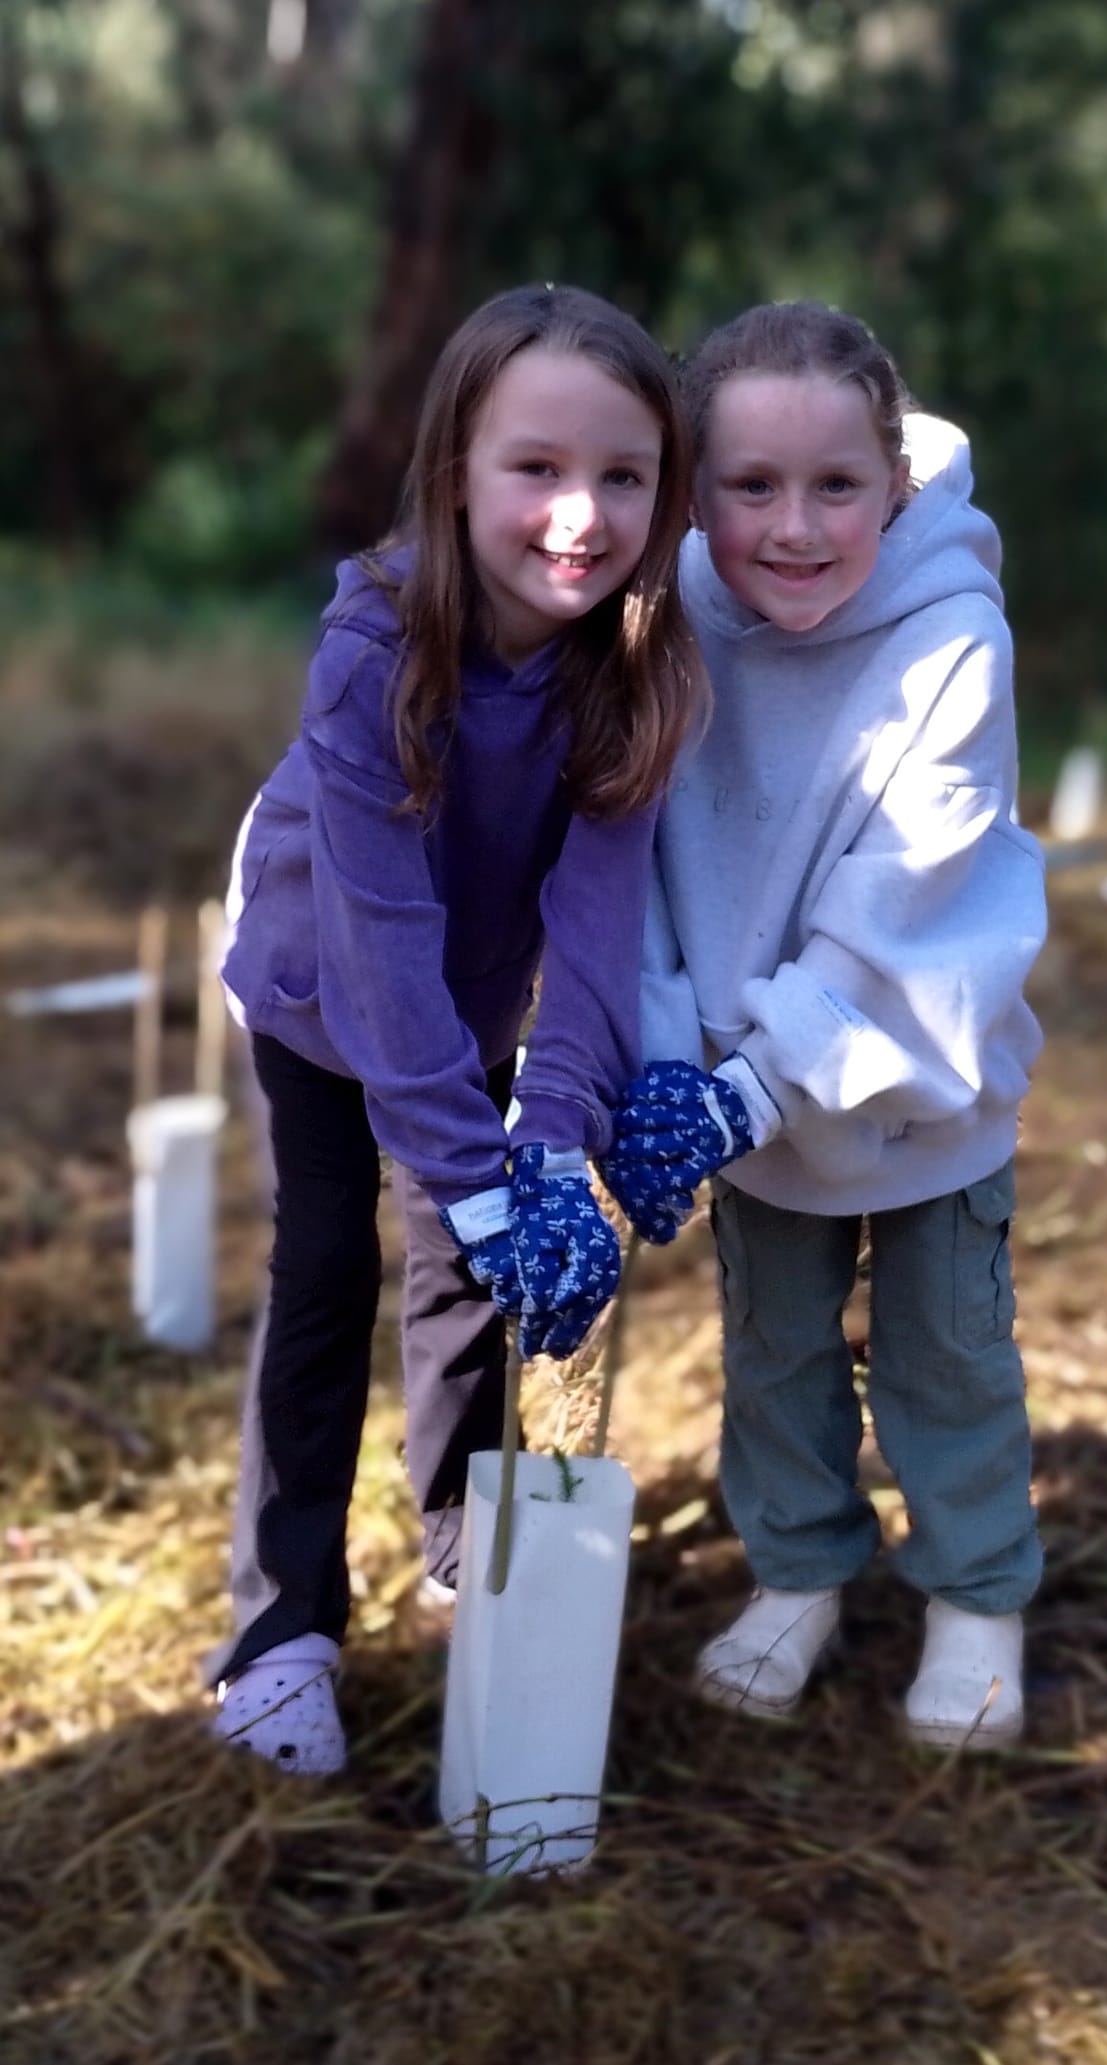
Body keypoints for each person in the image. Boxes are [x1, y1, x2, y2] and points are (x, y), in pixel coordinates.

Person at [207, 284, 704, 1774]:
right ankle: (278, 1628)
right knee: (325, 1265)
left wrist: (547, 1147)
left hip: (475, 992)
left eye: (624, 477)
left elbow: (599, 918)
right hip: (315, 981)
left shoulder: (634, 660)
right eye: (537, 470)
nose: (581, 515)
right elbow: (378, 941)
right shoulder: (374, 652)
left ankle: (458, 1524)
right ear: (454, 475)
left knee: (462, 1277)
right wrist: (475, 1168)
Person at [596, 302, 1048, 1749]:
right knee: (775, 1348)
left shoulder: (951, 641)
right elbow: (643, 868)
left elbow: (910, 900)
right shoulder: (659, 621)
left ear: (895, 483)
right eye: (750, 489)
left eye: (836, 488)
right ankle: (797, 1572)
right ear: (694, 488)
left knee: (945, 1354)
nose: (794, 528)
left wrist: (755, 1085)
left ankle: (977, 1595)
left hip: (914, 1083)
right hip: (737, 1083)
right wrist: (674, 1067)